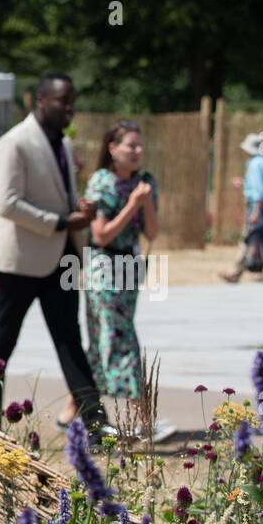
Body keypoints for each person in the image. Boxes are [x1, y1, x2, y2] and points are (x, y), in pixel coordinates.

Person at [0, 72, 112, 444]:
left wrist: (79, 212)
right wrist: (58, 221)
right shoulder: (14, 142)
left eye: (72, 100)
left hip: (61, 257)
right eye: (62, 101)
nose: (69, 108)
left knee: (70, 341)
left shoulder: (64, 145)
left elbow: (62, 197)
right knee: (2, 343)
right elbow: (6, 203)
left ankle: (96, 426)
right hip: (20, 261)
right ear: (39, 100)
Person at [81, 120, 170, 441]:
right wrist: (132, 204)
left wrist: (144, 202)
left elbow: (152, 233)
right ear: (112, 148)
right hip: (103, 266)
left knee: (102, 339)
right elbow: (101, 234)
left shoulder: (145, 183)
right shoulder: (101, 183)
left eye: (140, 145)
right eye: (130, 145)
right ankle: (143, 419)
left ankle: (73, 409)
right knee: (122, 338)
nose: (137, 151)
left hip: (129, 266)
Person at [221, 133, 263, 283]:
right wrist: (245, 184)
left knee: (247, 238)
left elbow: (259, 190)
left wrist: (255, 211)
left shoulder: (254, 164)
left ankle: (235, 271)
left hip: (258, 206)